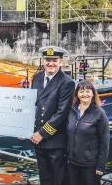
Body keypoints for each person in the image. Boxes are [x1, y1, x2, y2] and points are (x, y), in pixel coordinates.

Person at [30, 46, 75, 185]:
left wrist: (41, 133)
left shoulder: (67, 82)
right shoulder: (37, 78)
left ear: (61, 62)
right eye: (48, 60)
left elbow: (61, 113)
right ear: (43, 61)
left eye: (54, 60)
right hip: (38, 140)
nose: (50, 63)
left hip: (55, 141)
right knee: (45, 178)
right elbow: (32, 105)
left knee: (59, 180)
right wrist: (25, 128)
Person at [67, 80, 109, 185]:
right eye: (81, 91)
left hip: (90, 165)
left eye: (87, 91)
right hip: (72, 163)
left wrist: (101, 166)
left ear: (93, 93)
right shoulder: (71, 111)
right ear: (77, 94)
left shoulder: (100, 113)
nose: (84, 94)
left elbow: (104, 141)